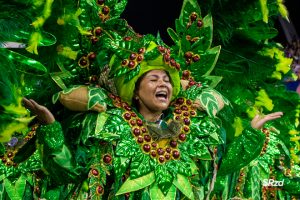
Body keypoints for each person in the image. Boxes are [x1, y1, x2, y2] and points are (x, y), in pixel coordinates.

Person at [22, 40, 283, 199]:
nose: (164, 84)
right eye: (154, 78)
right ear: (135, 91)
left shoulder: (192, 130)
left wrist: (250, 134)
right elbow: (71, 175)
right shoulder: (109, 127)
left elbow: (219, 172)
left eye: (168, 79)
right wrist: (51, 128)